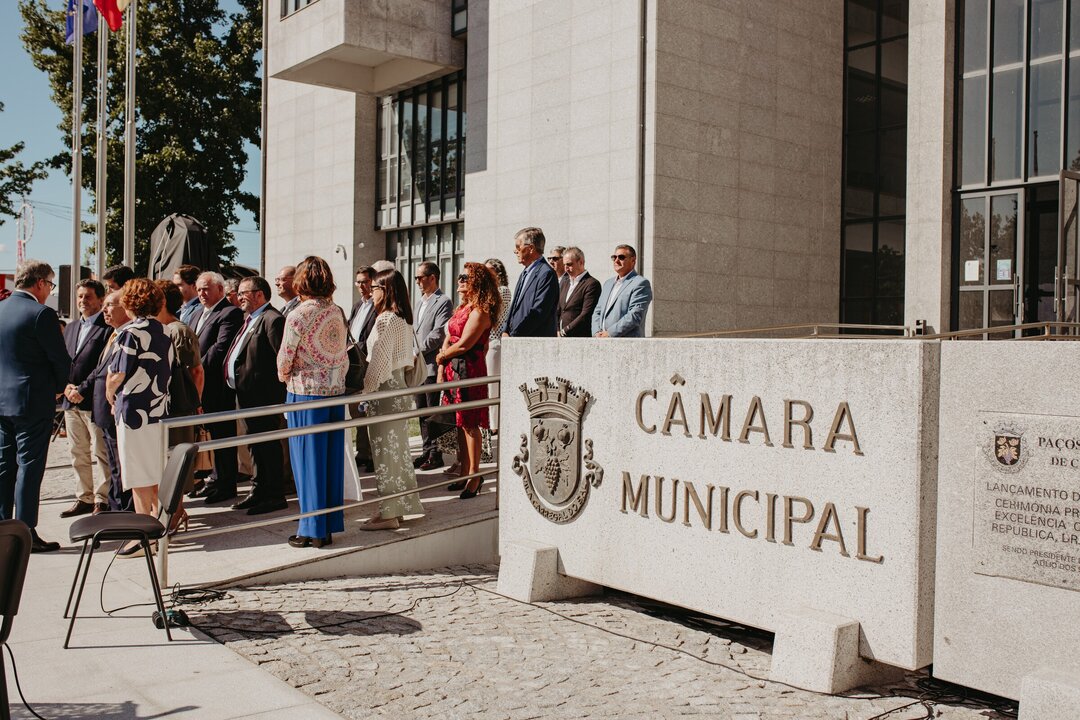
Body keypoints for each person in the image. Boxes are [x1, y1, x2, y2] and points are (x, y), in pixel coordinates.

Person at [0, 260, 71, 552]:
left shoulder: (0, 309)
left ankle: (4, 528)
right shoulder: (41, 313)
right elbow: (60, 359)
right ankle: (26, 531)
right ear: (40, 283)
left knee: (4, 465)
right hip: (32, 400)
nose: (49, 291)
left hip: (3, 401)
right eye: (50, 284)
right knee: (29, 466)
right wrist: (58, 388)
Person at [277, 256, 348, 548]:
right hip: (335, 391)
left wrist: (283, 376)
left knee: (307, 461)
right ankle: (327, 525)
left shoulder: (298, 314)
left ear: (301, 282)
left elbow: (285, 357)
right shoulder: (337, 311)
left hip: (305, 392)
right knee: (330, 461)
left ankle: (312, 529)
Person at [106, 279, 173, 557]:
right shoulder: (165, 330)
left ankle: (143, 536)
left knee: (137, 473)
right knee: (155, 470)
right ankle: (159, 528)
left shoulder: (129, 333)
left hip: (134, 411)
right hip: (158, 409)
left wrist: (110, 394)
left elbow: (117, 373)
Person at [359, 268, 425, 530]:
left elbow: (378, 362)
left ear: (385, 290)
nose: (371, 292)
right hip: (398, 390)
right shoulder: (403, 319)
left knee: (384, 453)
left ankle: (388, 514)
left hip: (384, 390)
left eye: (374, 287)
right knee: (398, 452)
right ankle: (397, 508)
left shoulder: (386, 319)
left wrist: (365, 392)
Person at [227, 276, 288, 515]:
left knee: (268, 446)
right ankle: (259, 489)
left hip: (264, 398)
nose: (239, 297)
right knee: (254, 445)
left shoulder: (273, 319)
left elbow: (280, 360)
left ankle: (274, 495)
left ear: (259, 294)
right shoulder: (251, 318)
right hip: (246, 395)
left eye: (244, 293)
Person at [437, 263, 499, 499]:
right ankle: (464, 472)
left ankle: (475, 475)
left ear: (477, 282)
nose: (460, 280)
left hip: (469, 369)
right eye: (460, 277)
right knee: (460, 423)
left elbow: (464, 344)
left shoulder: (480, 311)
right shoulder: (463, 308)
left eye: (466, 277)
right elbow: (450, 335)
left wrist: (443, 355)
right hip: (455, 367)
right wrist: (444, 357)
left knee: (470, 423)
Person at [154, 280, 204, 533]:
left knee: (176, 461)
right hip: (162, 407)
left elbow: (195, 371)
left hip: (179, 407)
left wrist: (195, 405)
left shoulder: (178, 331)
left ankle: (176, 513)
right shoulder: (158, 329)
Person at [76, 290, 133, 511]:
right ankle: (115, 507)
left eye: (110, 305)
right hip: (104, 410)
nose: (104, 310)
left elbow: (117, 373)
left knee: (120, 465)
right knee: (113, 465)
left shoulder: (128, 335)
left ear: (125, 308)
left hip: (117, 409)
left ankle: (123, 511)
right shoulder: (115, 334)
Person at [60, 279, 112, 517]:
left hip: (94, 400)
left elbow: (103, 366)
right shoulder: (71, 327)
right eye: (80, 296)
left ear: (100, 299)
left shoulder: (107, 327)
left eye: (88, 296)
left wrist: (82, 389)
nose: (83, 301)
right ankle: (84, 497)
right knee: (77, 452)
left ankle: (103, 499)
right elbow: (64, 360)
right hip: (70, 401)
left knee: (101, 452)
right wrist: (66, 386)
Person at [193, 271, 244, 503]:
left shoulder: (230, 312)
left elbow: (220, 348)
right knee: (210, 437)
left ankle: (226, 484)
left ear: (220, 290)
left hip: (215, 385)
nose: (201, 293)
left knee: (223, 436)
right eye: (199, 289)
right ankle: (214, 479)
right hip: (198, 385)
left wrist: (195, 370)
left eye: (206, 288)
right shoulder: (197, 313)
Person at [412, 261, 453, 470]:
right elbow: (415, 331)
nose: (417, 281)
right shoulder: (419, 302)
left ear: (432, 278)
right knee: (421, 412)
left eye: (420, 277)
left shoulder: (443, 301)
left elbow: (438, 334)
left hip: (430, 365)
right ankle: (426, 450)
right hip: (417, 367)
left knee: (432, 412)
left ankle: (436, 454)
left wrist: (416, 351)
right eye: (416, 278)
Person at [347, 266, 378, 473]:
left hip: (370, 361)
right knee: (357, 410)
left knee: (370, 409)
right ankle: (363, 452)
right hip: (355, 362)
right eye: (358, 282)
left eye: (365, 282)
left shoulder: (378, 306)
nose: (361, 286)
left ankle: (372, 454)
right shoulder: (357, 306)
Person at [504, 226, 559, 337]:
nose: (515, 251)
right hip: (515, 339)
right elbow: (515, 306)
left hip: (533, 340)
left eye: (518, 246)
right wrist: (505, 330)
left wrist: (514, 335)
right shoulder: (524, 273)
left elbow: (539, 311)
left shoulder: (546, 274)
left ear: (531, 248)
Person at [592, 244, 654, 338]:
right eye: (614, 257)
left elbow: (634, 315)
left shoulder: (641, 283)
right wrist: (596, 332)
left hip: (626, 342)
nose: (616, 260)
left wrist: (610, 333)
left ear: (633, 261)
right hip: (601, 340)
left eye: (621, 257)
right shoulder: (608, 284)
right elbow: (597, 311)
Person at [484, 258, 512, 433]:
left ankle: (494, 424)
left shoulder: (502, 291)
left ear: (498, 272)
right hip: (486, 342)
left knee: (493, 385)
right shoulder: (488, 291)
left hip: (495, 342)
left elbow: (492, 315)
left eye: (489, 270)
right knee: (486, 385)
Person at [558, 247, 602, 338]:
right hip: (559, 337)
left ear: (581, 262)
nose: (566, 268)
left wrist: (564, 331)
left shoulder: (591, 284)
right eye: (564, 265)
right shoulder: (564, 282)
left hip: (579, 337)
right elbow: (558, 309)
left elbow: (586, 314)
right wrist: (557, 330)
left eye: (569, 264)